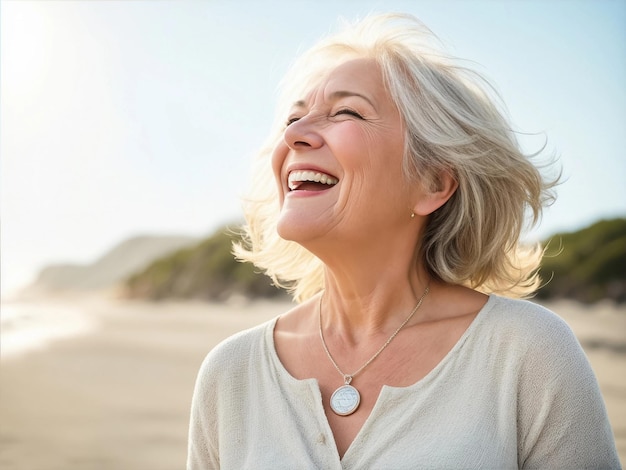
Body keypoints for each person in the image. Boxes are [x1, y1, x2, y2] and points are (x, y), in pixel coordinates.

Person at [187, 13, 620, 469]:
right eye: (294, 117)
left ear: (433, 182)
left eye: (346, 112)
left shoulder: (527, 352)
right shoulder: (230, 373)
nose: (293, 134)